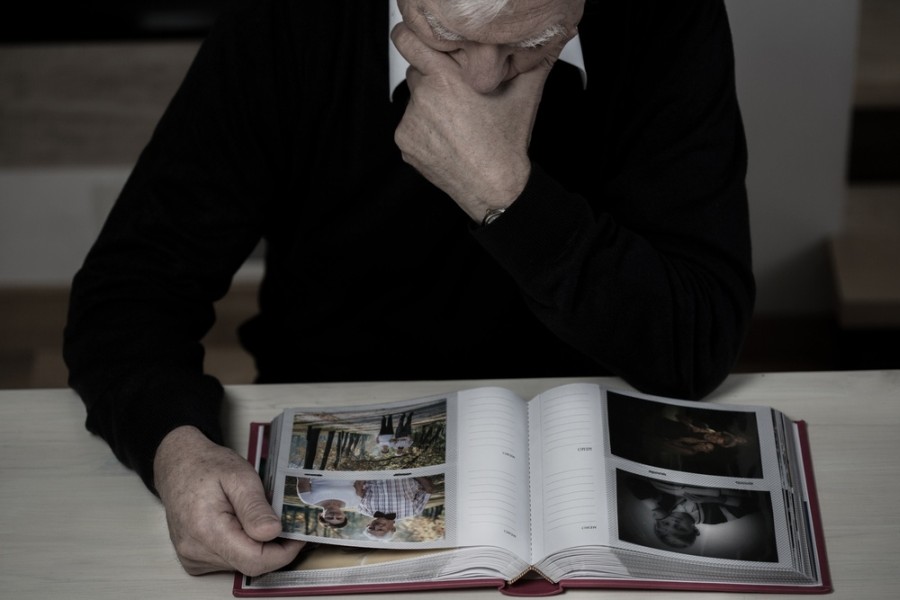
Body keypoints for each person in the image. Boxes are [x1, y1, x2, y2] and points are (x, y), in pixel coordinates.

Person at [63, 0, 754, 578]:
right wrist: (174, 446)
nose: (482, 80)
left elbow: (697, 342)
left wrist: (503, 194)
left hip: (586, 454)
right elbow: (130, 291)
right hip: (332, 447)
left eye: (534, 41)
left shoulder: (667, 14)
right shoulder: (290, 19)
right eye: (447, 34)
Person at [294, 477, 364, 528]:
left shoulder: (308, 499)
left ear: (321, 515)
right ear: (344, 516)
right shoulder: (355, 502)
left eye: (329, 518)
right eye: (339, 518)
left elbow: (302, 477)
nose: (334, 516)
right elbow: (359, 482)